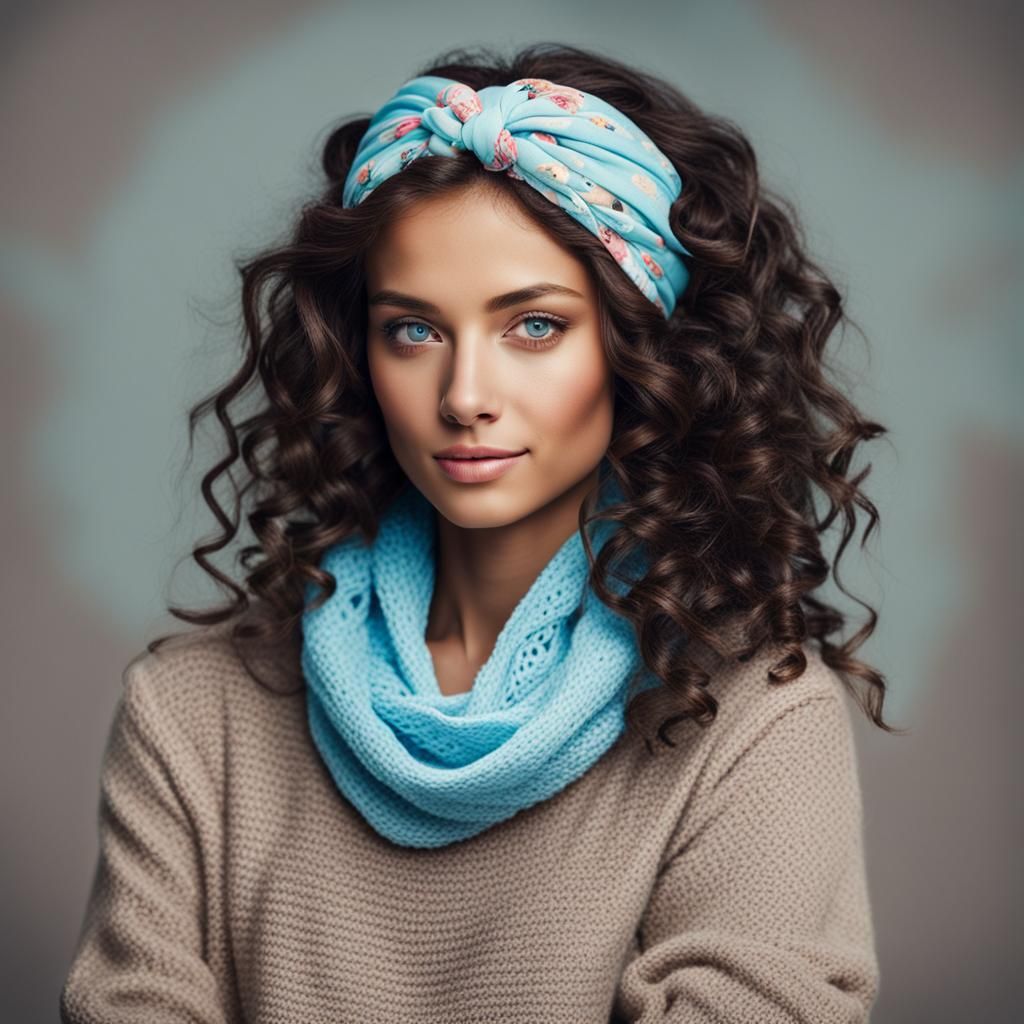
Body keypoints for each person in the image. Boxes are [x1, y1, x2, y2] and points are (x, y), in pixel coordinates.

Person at [60, 41, 897, 1023]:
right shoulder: (191, 717)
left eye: (533, 326)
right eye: (412, 329)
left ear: (641, 348)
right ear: (357, 356)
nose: (463, 397)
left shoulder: (756, 717)